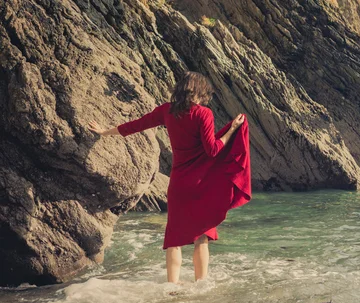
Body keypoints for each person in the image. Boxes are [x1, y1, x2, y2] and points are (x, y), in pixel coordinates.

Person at [89, 71, 252, 283]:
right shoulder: (203, 114)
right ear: (199, 92)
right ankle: (200, 286)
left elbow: (136, 125)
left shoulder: (167, 111)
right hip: (201, 185)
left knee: (174, 239)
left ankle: (171, 287)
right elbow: (213, 151)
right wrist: (232, 129)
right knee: (201, 237)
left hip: (179, 185)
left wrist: (104, 131)